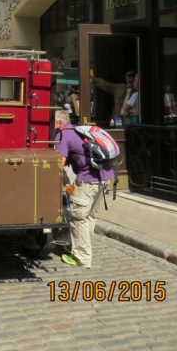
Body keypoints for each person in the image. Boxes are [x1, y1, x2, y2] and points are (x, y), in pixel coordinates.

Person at [54, 110, 114, 269]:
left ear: (60, 123)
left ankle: (81, 257)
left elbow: (59, 163)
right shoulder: (79, 131)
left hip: (88, 181)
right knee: (89, 216)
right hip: (105, 177)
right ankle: (81, 248)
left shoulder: (63, 135)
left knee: (78, 217)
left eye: (53, 123)